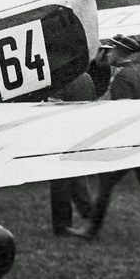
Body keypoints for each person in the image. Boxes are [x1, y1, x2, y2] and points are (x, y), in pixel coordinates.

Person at [70, 36, 140, 242]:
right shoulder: (133, 73)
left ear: (118, 52)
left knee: (106, 184)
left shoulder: (122, 79)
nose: (108, 54)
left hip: (129, 143)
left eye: (111, 50)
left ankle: (91, 230)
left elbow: (123, 114)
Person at [48, 69, 96, 236]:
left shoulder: (59, 78)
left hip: (62, 135)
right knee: (77, 177)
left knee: (59, 182)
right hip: (81, 134)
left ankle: (62, 225)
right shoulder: (87, 78)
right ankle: (89, 213)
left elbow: (52, 106)